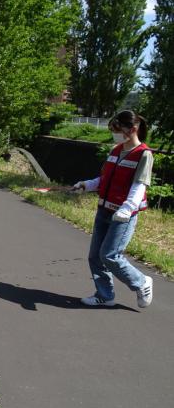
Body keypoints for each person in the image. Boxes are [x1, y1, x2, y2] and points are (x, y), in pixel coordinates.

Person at [73, 110, 154, 308]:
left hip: (123, 215)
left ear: (132, 129)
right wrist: (86, 184)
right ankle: (105, 295)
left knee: (110, 255)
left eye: (118, 130)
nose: (115, 133)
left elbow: (139, 185)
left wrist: (127, 208)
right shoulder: (115, 151)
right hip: (104, 210)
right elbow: (104, 180)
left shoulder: (144, 154)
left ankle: (141, 282)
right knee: (95, 256)